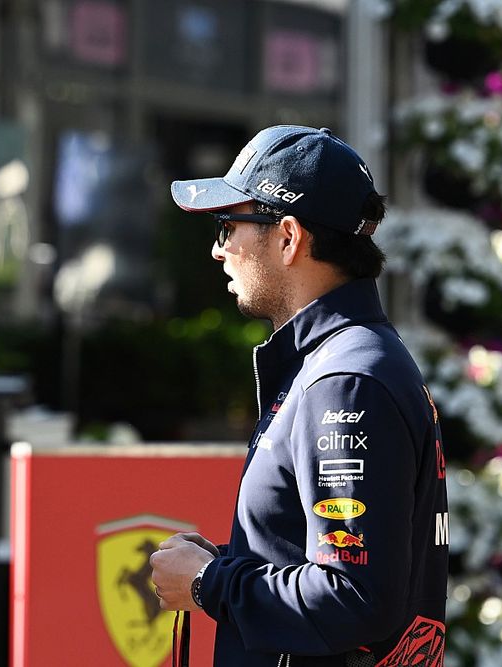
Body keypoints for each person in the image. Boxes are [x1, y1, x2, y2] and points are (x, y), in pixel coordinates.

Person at [150, 125, 449, 667]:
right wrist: (225, 562)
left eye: (228, 225)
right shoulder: (345, 362)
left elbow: (353, 598)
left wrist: (208, 582)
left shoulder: (345, 379)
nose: (218, 250)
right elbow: (319, 560)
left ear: (288, 237)